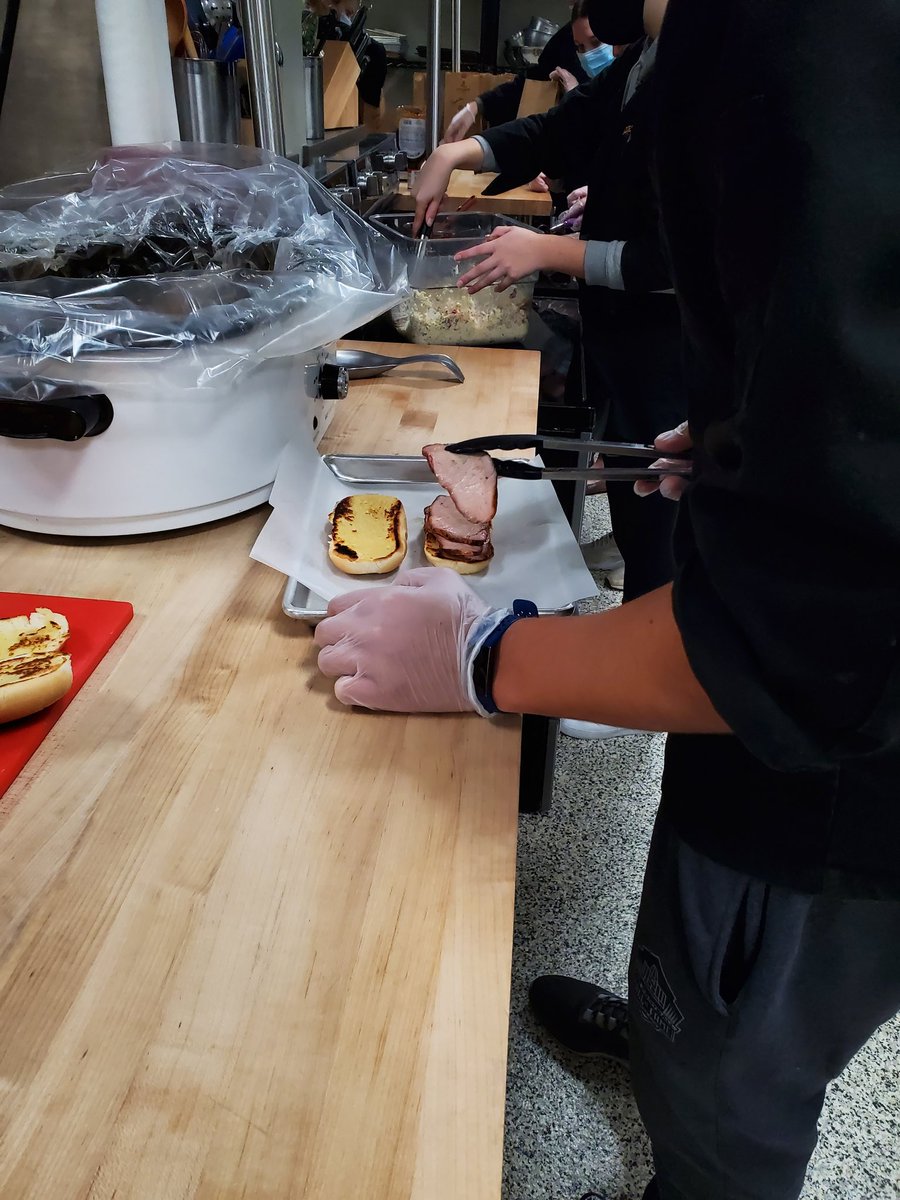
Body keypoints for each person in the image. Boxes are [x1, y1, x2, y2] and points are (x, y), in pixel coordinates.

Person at [315, 0, 900, 1193]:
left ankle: (708, 1104)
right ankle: (670, 1031)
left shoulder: (822, 46)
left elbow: (802, 635)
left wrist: (485, 658)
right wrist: (755, 431)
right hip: (802, 713)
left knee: (738, 1084)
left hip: (840, 790)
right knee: (696, 990)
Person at [416, 0, 684, 737]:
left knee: (658, 512)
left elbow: (681, 261)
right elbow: (558, 128)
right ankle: (636, 654)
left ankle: (646, 687)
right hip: (625, 333)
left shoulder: (705, 68)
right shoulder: (646, 57)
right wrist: (458, 154)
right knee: (637, 495)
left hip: (674, 344)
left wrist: (550, 252)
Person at [441, 0, 606, 145]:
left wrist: (575, 96)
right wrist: (476, 106)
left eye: (596, 42)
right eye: (580, 47)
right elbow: (529, 83)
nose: (588, 54)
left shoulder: (629, 73)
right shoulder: (564, 41)